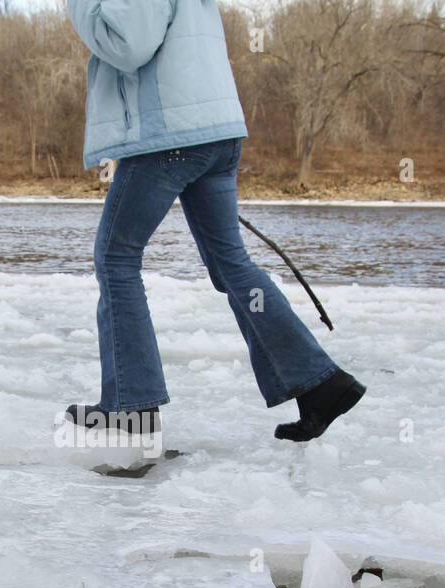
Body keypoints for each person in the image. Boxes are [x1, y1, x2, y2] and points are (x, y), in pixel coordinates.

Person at [63, 0, 365, 443]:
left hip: (171, 134)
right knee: (231, 264)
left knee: (116, 257)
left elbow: (129, 45)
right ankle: (320, 384)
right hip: (215, 129)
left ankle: (132, 407)